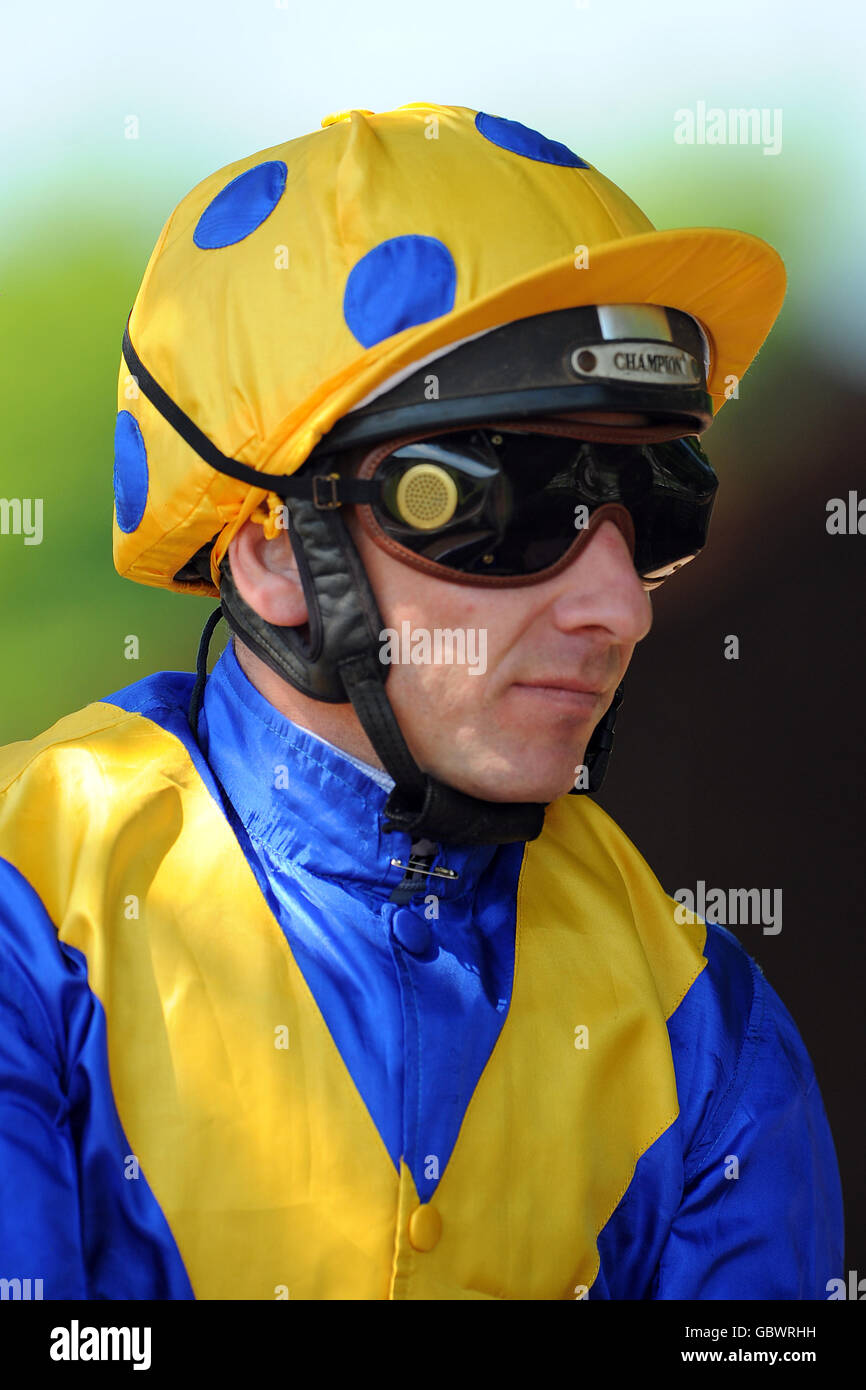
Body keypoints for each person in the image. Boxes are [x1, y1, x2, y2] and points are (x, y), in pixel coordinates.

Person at [0, 102, 843, 1300]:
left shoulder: (703, 1021)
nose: (621, 605)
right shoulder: (27, 914)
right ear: (276, 555)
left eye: (656, 505)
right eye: (516, 501)